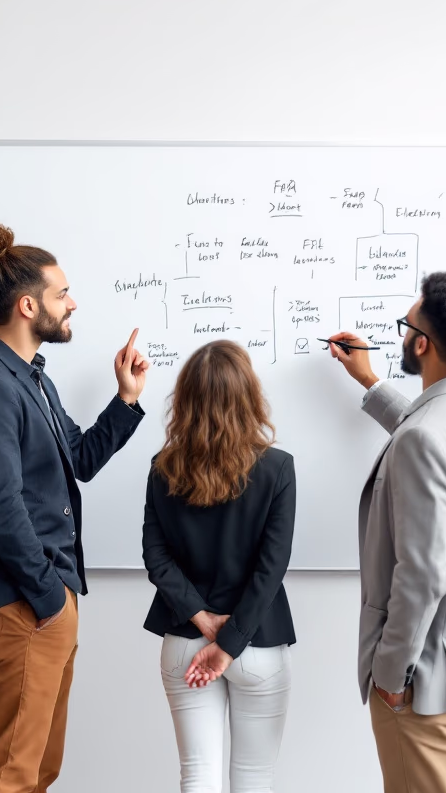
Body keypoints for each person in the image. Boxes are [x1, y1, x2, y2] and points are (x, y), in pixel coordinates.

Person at [0, 221, 150, 793]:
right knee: (9, 774)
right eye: (63, 294)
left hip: (44, 597)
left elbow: (79, 458)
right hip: (23, 602)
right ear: (28, 304)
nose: (73, 303)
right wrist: (46, 597)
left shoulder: (30, 378)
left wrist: (125, 400)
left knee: (37, 771)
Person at [327, 272, 446, 793]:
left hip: (422, 680)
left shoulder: (424, 436)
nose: (402, 334)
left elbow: (424, 573)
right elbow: (434, 433)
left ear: (422, 344)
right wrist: (371, 382)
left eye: (405, 325)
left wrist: (390, 674)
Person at [143, 340, 296, 793]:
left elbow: (157, 558)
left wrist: (203, 620)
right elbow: (272, 569)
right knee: (254, 778)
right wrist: (230, 642)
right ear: (249, 394)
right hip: (257, 645)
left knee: (198, 776)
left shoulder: (162, 468)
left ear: (185, 399)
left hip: (186, 643)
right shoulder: (278, 468)